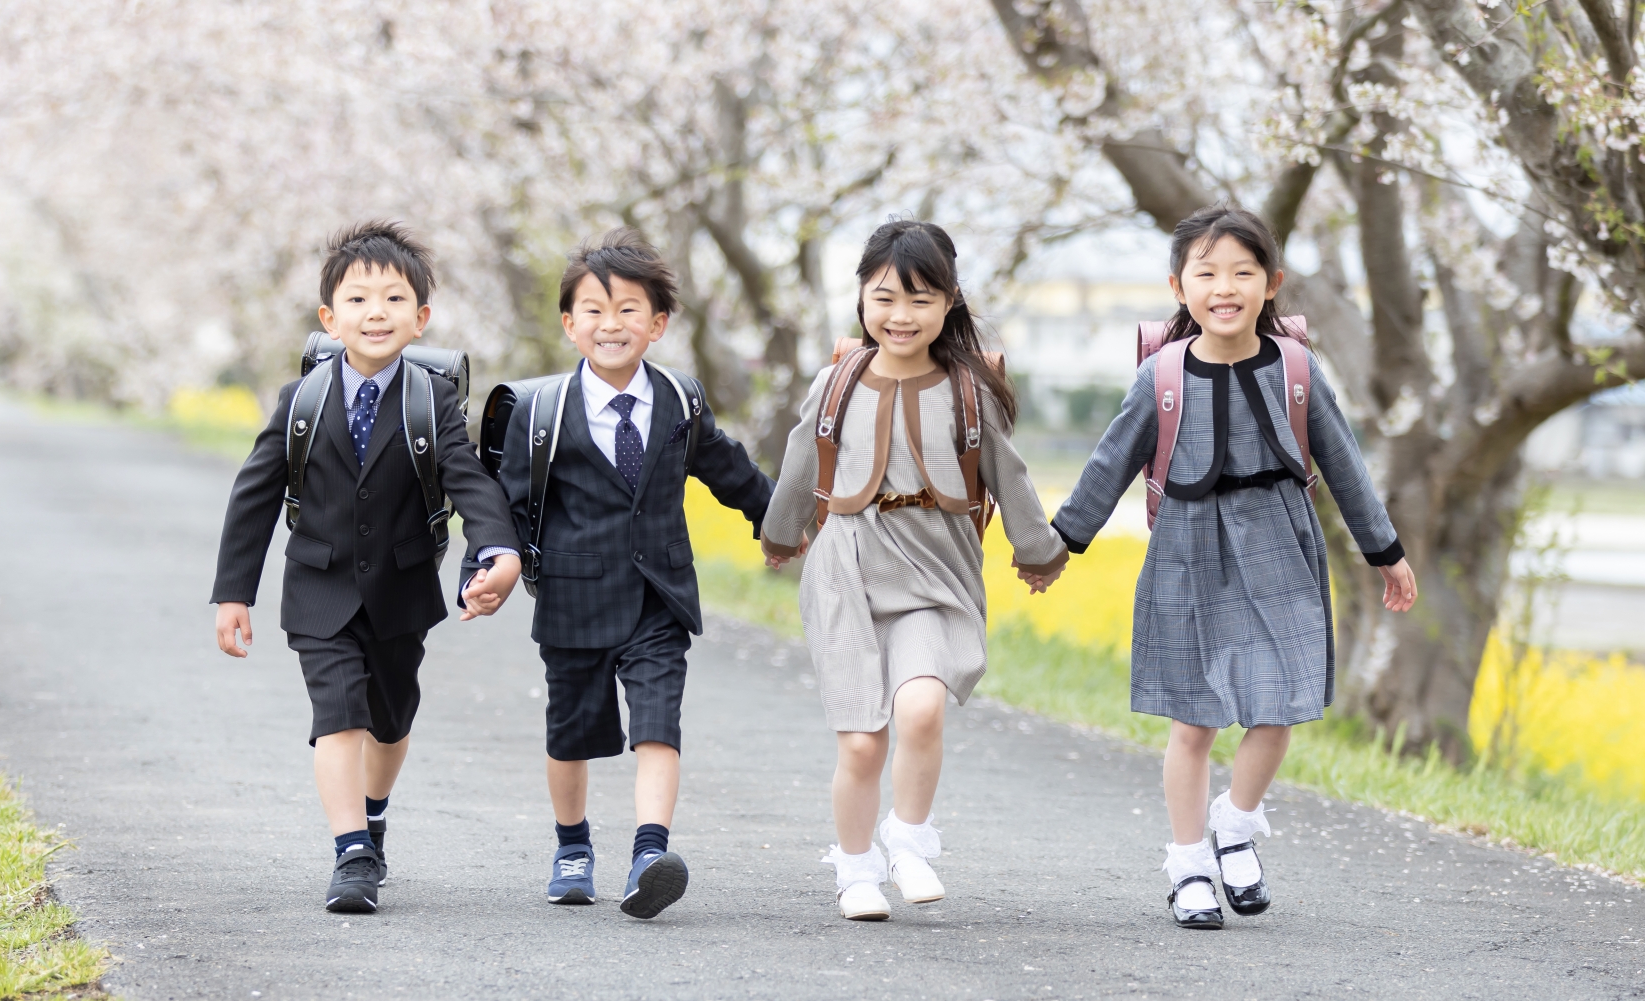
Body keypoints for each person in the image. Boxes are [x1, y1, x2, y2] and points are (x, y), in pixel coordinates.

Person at [1050, 205, 1417, 929]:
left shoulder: (1297, 369)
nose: (1225, 287)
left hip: (1282, 545)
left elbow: (1344, 463)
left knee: (1280, 703)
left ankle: (1236, 824)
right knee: (1194, 722)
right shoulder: (1161, 375)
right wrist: (1060, 543)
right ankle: (1189, 866)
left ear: (1271, 283)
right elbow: (1110, 462)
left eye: (1243, 272)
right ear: (1178, 287)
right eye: (1207, 273)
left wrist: (1386, 551)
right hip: (1187, 551)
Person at [760, 220, 1069, 922]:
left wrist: (1037, 550)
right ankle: (856, 869)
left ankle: (906, 836)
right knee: (861, 740)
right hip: (845, 567)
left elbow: (1010, 477)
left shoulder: (970, 391)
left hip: (934, 570)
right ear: (861, 299)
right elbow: (800, 464)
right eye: (885, 298)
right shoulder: (835, 384)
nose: (901, 315)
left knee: (922, 708)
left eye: (921, 299)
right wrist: (779, 536)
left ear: (950, 301)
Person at [212, 221, 521, 914]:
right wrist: (234, 594)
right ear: (329, 318)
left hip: (401, 590)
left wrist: (497, 552)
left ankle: (373, 815)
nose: (375, 313)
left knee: (390, 719)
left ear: (421, 319)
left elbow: (468, 481)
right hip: (317, 587)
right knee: (339, 715)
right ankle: (352, 853)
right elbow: (253, 495)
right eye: (357, 299)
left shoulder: (431, 401)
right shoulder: (301, 401)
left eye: (393, 299)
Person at [501, 227, 774, 918]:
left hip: (660, 595)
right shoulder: (541, 411)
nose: (611, 324)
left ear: (658, 324)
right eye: (594, 310)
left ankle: (651, 854)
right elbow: (507, 503)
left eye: (628, 310)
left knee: (658, 723)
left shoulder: (680, 400)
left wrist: (779, 521)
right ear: (570, 324)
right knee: (571, 732)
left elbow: (729, 470)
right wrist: (489, 563)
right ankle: (572, 847)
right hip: (572, 599)